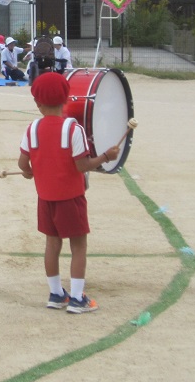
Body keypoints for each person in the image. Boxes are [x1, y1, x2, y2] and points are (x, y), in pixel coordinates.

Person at [17, 72, 120, 314]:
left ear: (37, 103)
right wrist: (106, 156)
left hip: (46, 199)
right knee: (79, 246)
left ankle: (55, 294)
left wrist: (29, 172)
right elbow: (82, 165)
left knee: (52, 245)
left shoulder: (32, 129)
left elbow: (23, 164)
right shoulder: (73, 129)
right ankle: (76, 298)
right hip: (71, 199)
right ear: (66, 99)